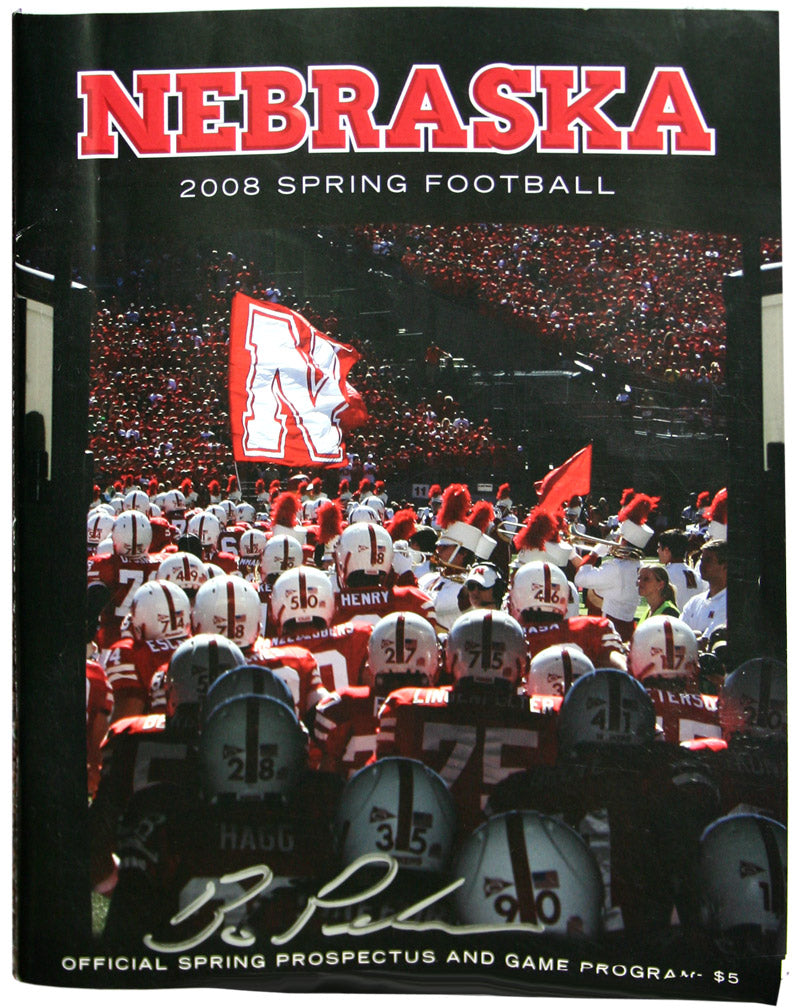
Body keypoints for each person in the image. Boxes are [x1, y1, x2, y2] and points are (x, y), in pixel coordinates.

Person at [680, 540, 727, 641]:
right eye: (702, 560)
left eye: (708, 560)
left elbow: (708, 640)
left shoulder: (728, 603)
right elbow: (677, 633)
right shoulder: (695, 601)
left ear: (725, 566)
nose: (702, 565)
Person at [656, 529, 706, 609]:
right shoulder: (695, 574)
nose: (657, 551)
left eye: (659, 547)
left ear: (666, 550)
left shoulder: (664, 575)